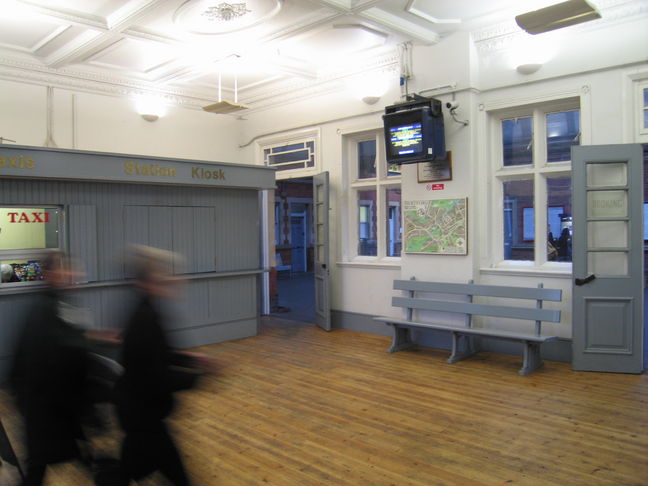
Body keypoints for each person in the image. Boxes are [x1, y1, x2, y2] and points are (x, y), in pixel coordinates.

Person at [115, 245, 213, 486]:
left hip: (139, 413)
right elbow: (156, 376)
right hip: (142, 415)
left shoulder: (149, 311)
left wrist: (191, 360)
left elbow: (162, 354)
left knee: (129, 472)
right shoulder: (145, 319)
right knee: (176, 476)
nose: (176, 281)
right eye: (166, 276)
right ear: (149, 282)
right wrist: (198, 379)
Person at [8, 251, 91, 486]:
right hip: (48, 404)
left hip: (50, 404)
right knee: (40, 465)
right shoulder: (46, 308)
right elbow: (54, 358)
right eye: (66, 269)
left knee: (43, 462)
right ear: (50, 273)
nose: (73, 274)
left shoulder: (57, 304)